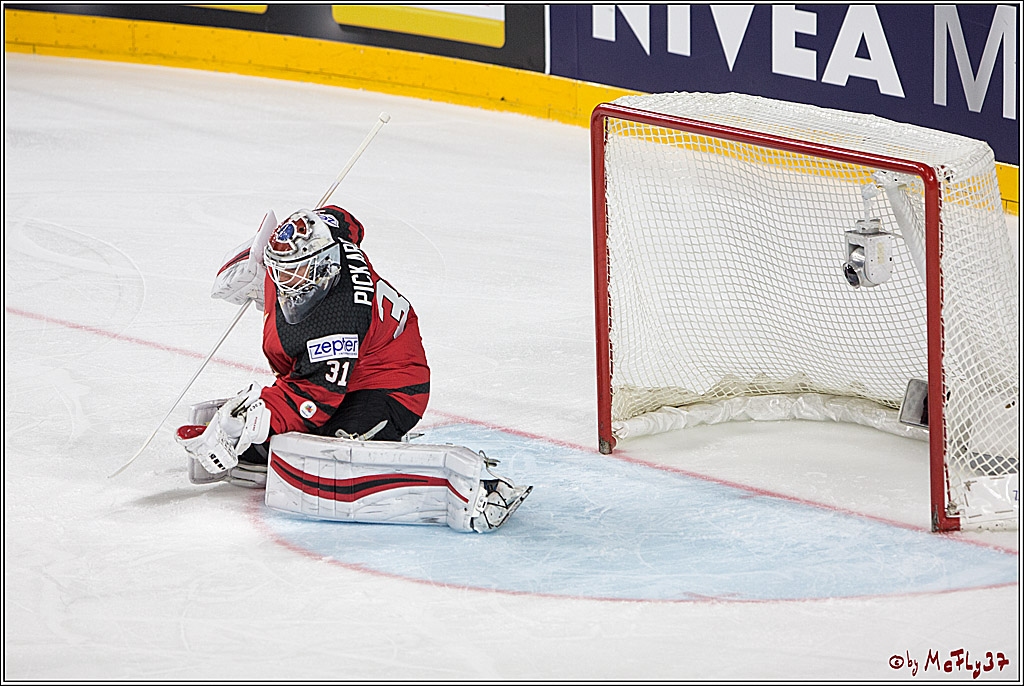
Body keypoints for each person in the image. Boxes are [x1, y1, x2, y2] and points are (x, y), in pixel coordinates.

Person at [177, 205, 430, 481]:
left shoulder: (337, 323)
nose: (281, 280)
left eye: (292, 271)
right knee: (289, 438)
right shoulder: (331, 237)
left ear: (320, 265)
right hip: (350, 365)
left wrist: (258, 422)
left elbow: (313, 398)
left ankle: (385, 445)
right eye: (277, 269)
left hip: (391, 386)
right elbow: (346, 220)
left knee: (328, 457)